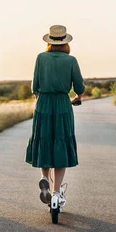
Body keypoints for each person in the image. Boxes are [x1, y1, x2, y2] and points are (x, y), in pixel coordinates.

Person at [26, 24, 85, 210]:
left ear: (50, 41)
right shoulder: (71, 60)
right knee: (61, 144)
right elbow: (80, 87)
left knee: (44, 141)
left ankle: (44, 177)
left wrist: (40, 97)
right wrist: (78, 97)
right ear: (65, 42)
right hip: (62, 104)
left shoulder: (41, 58)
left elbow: (34, 85)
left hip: (43, 103)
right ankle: (56, 192)